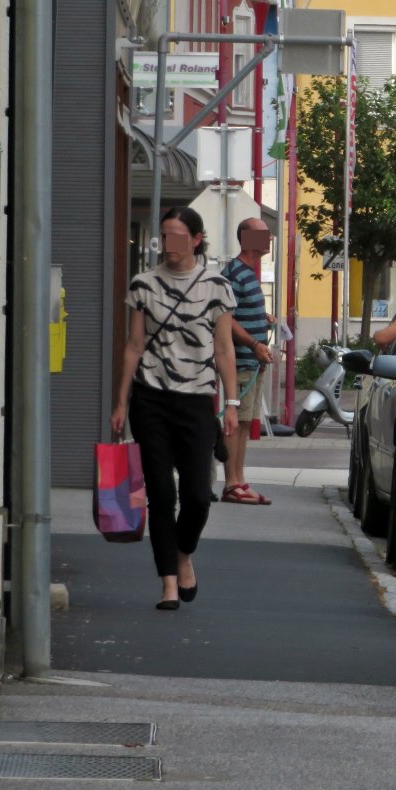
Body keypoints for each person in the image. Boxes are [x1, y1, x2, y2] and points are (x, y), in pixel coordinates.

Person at [111, 206, 238, 610]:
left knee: (198, 495)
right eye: (165, 235)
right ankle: (168, 582)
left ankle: (184, 554)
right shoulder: (143, 284)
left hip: (198, 401)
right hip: (151, 399)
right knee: (162, 495)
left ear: (197, 240)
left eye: (178, 236)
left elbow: (223, 349)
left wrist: (232, 402)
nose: (170, 244)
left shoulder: (217, 285)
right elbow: (133, 345)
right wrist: (120, 401)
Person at [219, 217, 275, 505]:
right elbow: (226, 320)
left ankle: (239, 480)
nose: (268, 238)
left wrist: (262, 318)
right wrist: (254, 343)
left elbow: (239, 312)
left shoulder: (249, 272)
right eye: (263, 234)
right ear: (247, 238)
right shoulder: (234, 273)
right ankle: (231, 483)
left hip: (253, 361)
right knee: (235, 422)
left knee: (243, 425)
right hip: (241, 361)